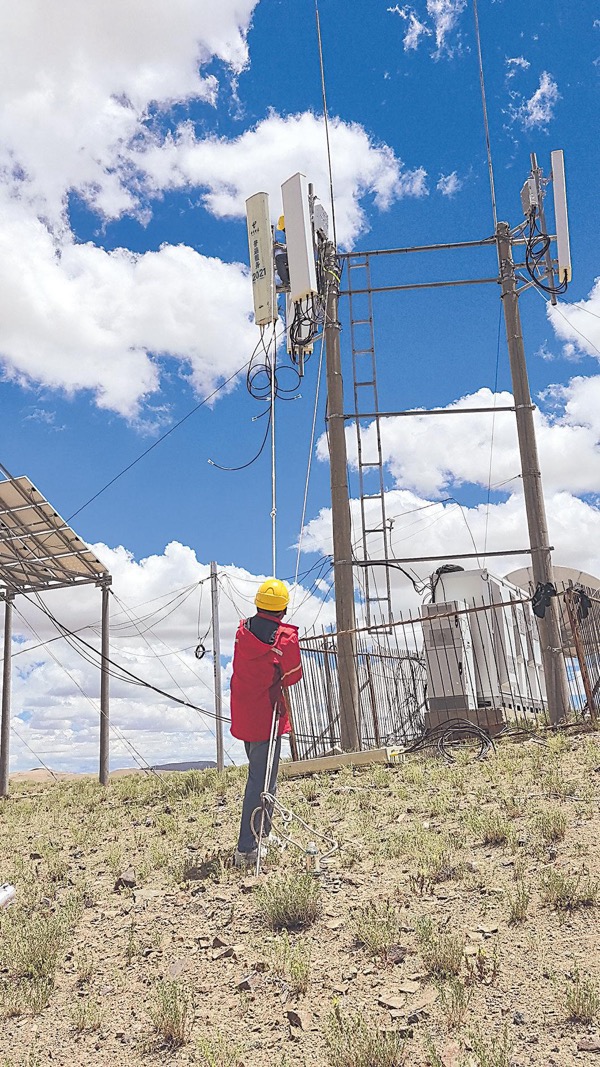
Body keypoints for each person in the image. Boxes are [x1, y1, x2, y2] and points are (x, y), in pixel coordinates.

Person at [230, 577, 302, 867]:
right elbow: (293, 675)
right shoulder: (285, 638)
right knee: (260, 780)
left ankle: (263, 833)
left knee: (264, 776)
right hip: (267, 716)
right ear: (283, 608)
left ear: (258, 603)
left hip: (244, 712)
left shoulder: (242, 631)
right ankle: (247, 849)